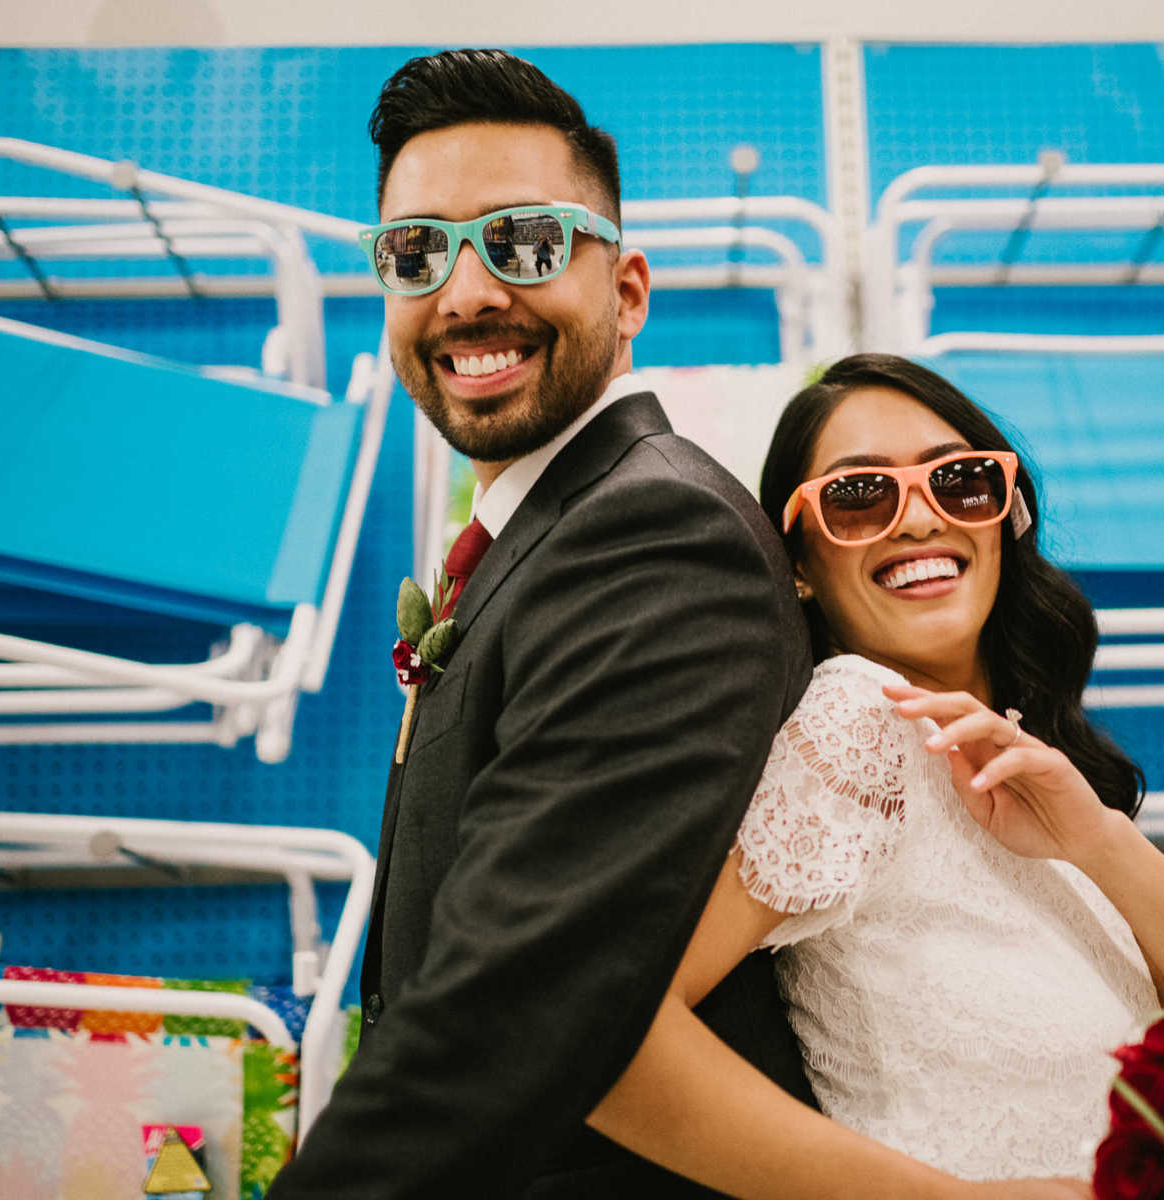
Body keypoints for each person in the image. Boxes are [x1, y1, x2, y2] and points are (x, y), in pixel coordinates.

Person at [268, 49, 826, 1197]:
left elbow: (508, 1006)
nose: (466, 293)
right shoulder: (539, 527)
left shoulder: (657, 538)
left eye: (523, 241)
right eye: (416, 252)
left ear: (626, 292)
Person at [584, 354, 1164, 1195]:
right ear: (799, 567)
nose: (920, 518)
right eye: (860, 497)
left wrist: (1099, 840)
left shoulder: (1038, 776)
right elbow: (606, 1038)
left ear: (1007, 516)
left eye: (961, 482)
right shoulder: (860, 720)